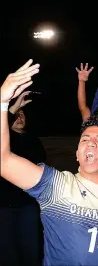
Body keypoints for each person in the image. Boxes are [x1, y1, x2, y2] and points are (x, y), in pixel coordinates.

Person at [1, 60, 98, 266]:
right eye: (84, 140)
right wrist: (2, 103)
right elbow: (4, 161)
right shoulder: (57, 186)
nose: (90, 143)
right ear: (77, 155)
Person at [0, 90, 46, 266]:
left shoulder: (33, 141)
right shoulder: (4, 140)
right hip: (3, 206)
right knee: (7, 253)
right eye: (16, 115)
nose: (20, 117)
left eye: (22, 114)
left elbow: (38, 164)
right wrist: (12, 110)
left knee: (31, 251)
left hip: (28, 204)